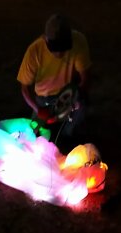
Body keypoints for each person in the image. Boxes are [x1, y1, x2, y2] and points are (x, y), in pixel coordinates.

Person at [17, 14, 92, 144]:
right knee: (34, 136)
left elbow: (85, 76)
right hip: (44, 99)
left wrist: (76, 97)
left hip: (67, 93)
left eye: (64, 48)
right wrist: (38, 110)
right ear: (45, 40)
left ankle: (67, 138)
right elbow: (24, 88)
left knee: (78, 116)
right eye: (55, 48)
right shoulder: (34, 51)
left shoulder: (78, 41)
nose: (59, 54)